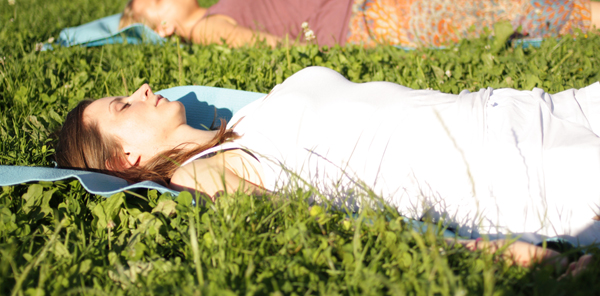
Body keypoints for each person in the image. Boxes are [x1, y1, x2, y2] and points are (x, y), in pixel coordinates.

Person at [54, 66, 599, 270]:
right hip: (519, 171)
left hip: (532, 107)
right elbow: (329, 227)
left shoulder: (244, 116)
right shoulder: (202, 173)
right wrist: (492, 254)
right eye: (122, 106)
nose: (141, 90)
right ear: (124, 161)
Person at [118, 0, 600, 48]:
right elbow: (275, 50)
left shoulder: (218, 7)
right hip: (370, 18)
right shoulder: (209, 28)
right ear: (163, 27)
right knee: (507, 11)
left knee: (505, 3)